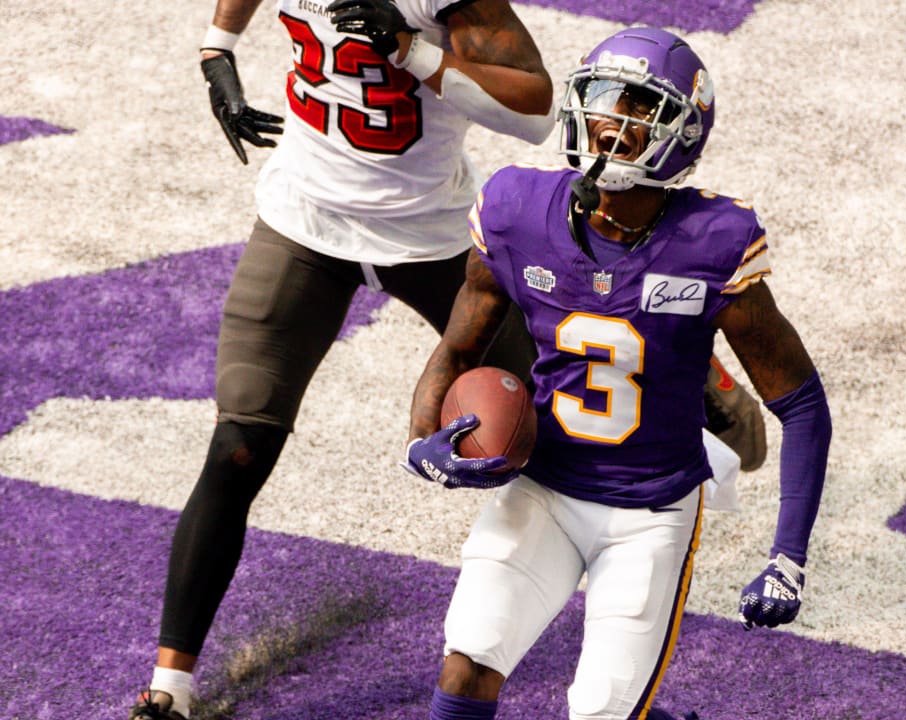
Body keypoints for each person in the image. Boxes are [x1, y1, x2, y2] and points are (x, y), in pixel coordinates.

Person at [129, 2, 766, 719]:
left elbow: (534, 107)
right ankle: (169, 688)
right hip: (303, 220)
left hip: (432, 235)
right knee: (239, 443)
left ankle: (692, 372)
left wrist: (412, 50)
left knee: (574, 379)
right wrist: (218, 46)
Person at [401, 26, 831, 720]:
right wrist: (423, 440)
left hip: (651, 512)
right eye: (604, 98)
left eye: (640, 103)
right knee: (466, 662)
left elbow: (802, 403)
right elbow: (457, 348)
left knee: (601, 710)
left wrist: (788, 556)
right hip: (545, 484)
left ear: (683, 130)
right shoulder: (516, 212)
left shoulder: (714, 242)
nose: (614, 120)